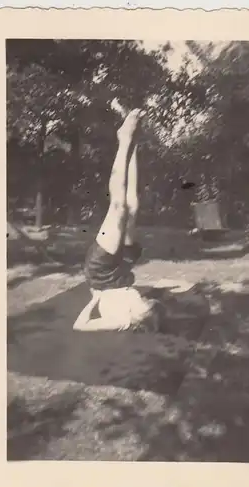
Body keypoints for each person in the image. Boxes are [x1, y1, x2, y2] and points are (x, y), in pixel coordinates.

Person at [73, 107, 161, 333]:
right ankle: (133, 146)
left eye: (146, 307)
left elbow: (80, 326)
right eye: (149, 305)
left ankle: (124, 140)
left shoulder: (123, 321)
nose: (147, 302)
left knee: (119, 207)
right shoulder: (141, 308)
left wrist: (93, 300)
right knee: (133, 205)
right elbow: (151, 301)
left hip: (101, 273)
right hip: (123, 268)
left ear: (139, 319)